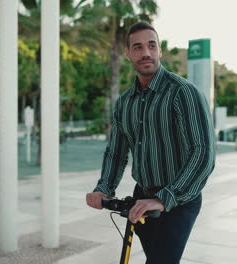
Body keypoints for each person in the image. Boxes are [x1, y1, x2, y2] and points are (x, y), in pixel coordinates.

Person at [85, 21, 215, 264]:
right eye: (137, 47)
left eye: (151, 46)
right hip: (141, 197)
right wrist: (104, 188)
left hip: (179, 200)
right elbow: (116, 152)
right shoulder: (125, 102)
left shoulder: (182, 92)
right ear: (128, 54)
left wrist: (164, 198)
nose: (146, 52)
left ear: (159, 50)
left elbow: (203, 153)